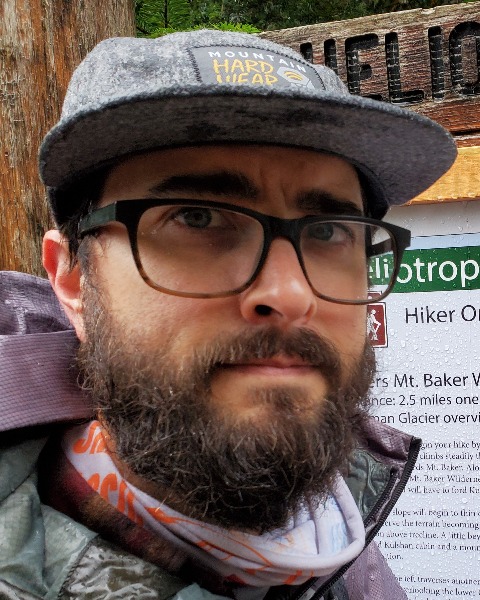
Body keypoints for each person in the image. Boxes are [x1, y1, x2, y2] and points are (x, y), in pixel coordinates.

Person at [0, 29, 456, 599]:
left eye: (330, 231)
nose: (290, 294)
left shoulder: (340, 536)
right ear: (72, 279)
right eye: (197, 218)